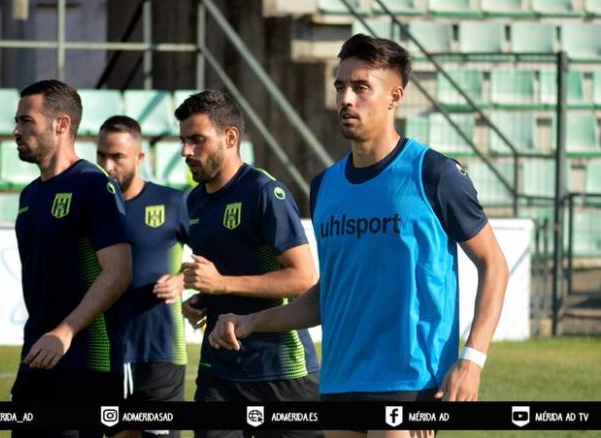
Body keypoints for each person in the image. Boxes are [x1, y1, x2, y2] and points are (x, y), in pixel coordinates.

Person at [208, 34, 509, 438]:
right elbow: (324, 298)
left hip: (410, 382)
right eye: (340, 86)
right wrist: (250, 322)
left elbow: (494, 264)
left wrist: (472, 359)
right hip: (339, 382)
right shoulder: (325, 186)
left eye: (361, 87)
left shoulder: (433, 174)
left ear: (394, 96)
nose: (346, 98)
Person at [176, 89, 323, 438]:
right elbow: (230, 272)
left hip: (280, 372)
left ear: (230, 137)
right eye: (183, 141)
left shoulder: (263, 193)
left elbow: (303, 277)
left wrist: (221, 284)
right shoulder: (194, 202)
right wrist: (204, 300)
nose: (186, 152)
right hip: (218, 372)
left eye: (197, 140)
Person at [11, 80, 132, 437]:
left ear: (61, 124)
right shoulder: (30, 195)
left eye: (26, 121)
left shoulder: (94, 186)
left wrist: (64, 332)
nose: (16, 131)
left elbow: (119, 271)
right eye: (16, 121)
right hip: (36, 356)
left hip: (85, 364)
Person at [97, 115, 189, 438]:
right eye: (102, 156)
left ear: (139, 157)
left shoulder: (173, 202)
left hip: (160, 352)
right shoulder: (96, 209)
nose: (108, 165)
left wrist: (182, 280)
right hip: (110, 352)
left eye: (117, 157)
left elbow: (213, 257)